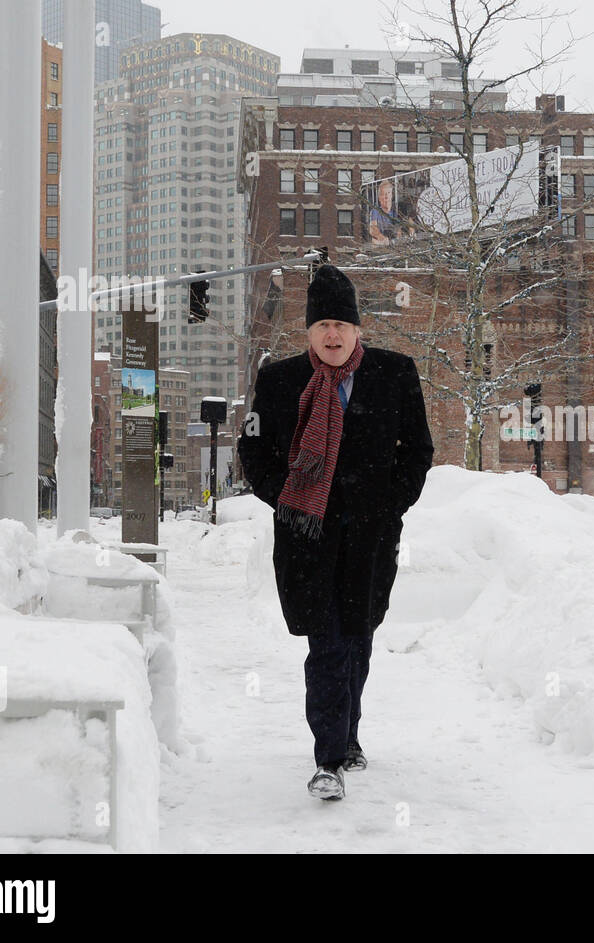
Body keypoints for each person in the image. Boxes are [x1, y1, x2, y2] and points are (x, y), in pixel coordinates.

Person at [236, 264, 434, 801]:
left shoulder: (395, 374)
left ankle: (347, 736)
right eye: (322, 324)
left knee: (359, 637)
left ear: (357, 330)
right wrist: (288, 495)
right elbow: (252, 449)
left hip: (370, 537)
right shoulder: (278, 381)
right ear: (308, 333)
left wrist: (391, 505)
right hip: (307, 536)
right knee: (326, 642)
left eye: (341, 325)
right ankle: (329, 759)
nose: (332, 335)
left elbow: (418, 451)